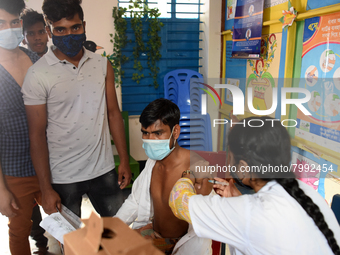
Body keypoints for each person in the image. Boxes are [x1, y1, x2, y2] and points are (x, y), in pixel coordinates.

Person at [22, 0, 131, 218]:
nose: (69, 34)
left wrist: (125, 160)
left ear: (84, 25)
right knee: (72, 244)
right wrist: (45, 188)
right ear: (49, 31)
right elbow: (36, 136)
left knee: (120, 236)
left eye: (75, 28)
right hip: (63, 176)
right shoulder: (37, 75)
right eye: (60, 29)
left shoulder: (102, 65)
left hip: (104, 170)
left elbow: (113, 114)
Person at [170, 116, 340, 255]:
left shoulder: (250, 214)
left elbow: (178, 202)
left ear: (243, 168)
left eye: (231, 159)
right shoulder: (307, 193)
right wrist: (237, 200)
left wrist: (189, 175)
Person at [115, 98, 213, 255]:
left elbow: (207, 215)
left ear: (175, 132)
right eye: (145, 133)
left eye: (157, 133)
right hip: (154, 235)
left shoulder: (196, 166)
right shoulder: (152, 164)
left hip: (183, 244)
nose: (150, 140)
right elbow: (135, 201)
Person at [0, 0, 42, 254]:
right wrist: (1, 189)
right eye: (1, 23)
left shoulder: (36, 59)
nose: (9, 28)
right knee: (19, 231)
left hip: (50, 164)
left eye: (14, 22)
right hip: (15, 170)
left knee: (67, 223)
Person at [20, 8, 50, 255]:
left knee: (55, 195)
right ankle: (40, 242)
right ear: (24, 37)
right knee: (30, 201)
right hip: (28, 142)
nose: (38, 37)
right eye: (31, 33)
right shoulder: (21, 64)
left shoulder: (56, 60)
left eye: (41, 31)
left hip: (56, 142)